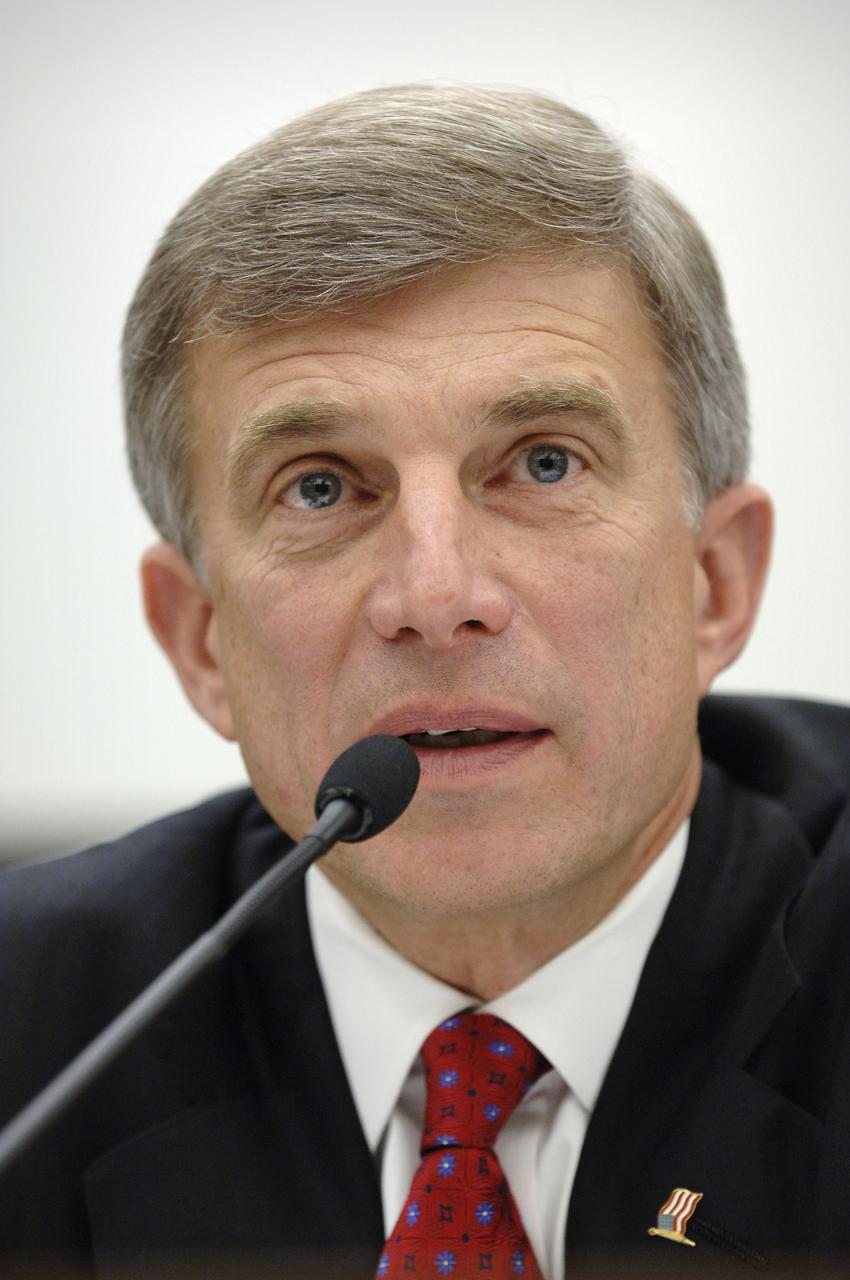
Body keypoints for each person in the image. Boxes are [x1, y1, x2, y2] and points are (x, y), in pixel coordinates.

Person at [1, 83, 849, 1280]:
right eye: (319, 486)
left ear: (714, 582)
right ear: (200, 641)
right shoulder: (32, 1030)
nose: (434, 593)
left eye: (542, 463)